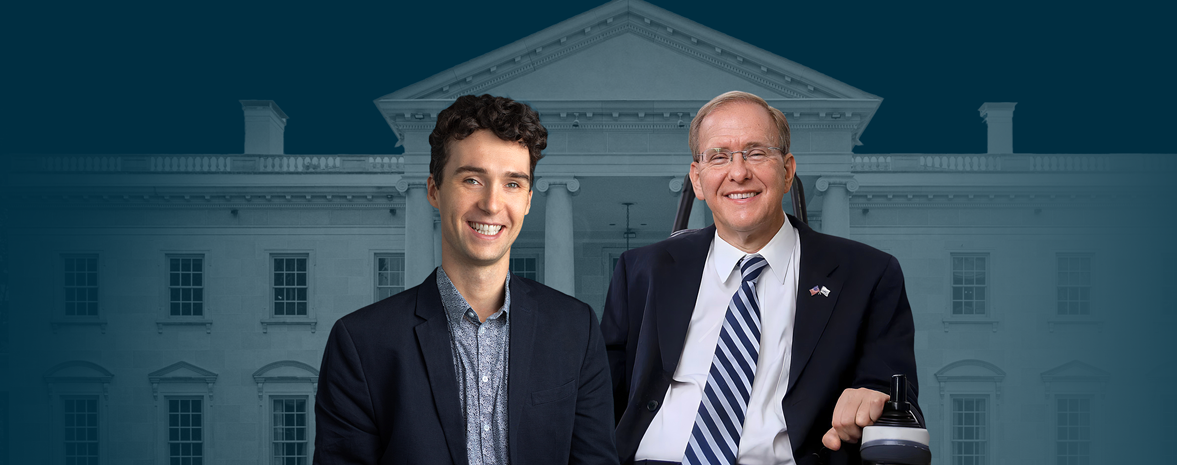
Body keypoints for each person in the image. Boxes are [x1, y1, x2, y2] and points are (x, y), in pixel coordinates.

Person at [601, 91, 922, 465]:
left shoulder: (867, 274)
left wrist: (873, 403)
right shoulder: (641, 269)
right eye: (719, 157)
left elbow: (898, 403)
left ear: (787, 171)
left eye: (756, 153)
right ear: (698, 180)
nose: (738, 173)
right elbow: (600, 399)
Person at [315, 94, 618, 465]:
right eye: (472, 179)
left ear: (527, 200)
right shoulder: (361, 343)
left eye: (512, 184)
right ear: (433, 191)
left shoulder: (576, 329)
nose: (492, 204)